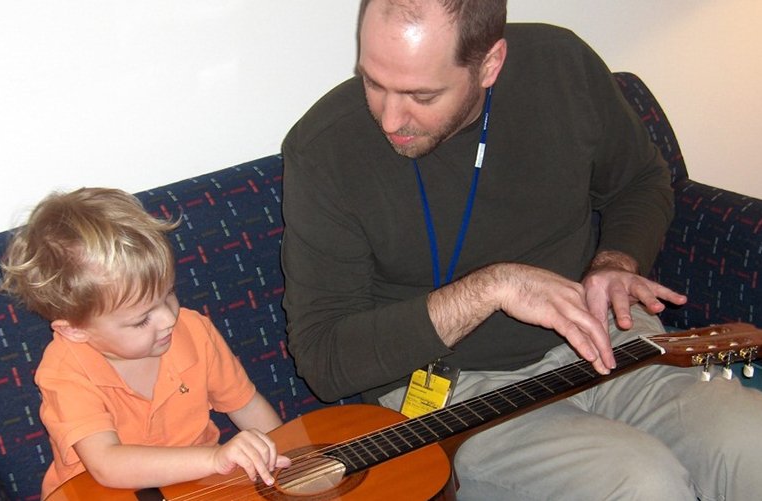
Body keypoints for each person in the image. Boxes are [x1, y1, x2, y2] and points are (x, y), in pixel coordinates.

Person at [280, 0, 762, 499]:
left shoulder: (562, 67)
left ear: (490, 64)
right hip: (455, 391)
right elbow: (324, 359)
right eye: (372, 81)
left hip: (601, 333)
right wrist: (491, 288)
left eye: (421, 95)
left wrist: (615, 261)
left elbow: (640, 181)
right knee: (642, 482)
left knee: (749, 440)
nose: (388, 117)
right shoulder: (324, 150)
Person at [0, 187, 291, 499]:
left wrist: (289, 465)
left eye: (169, 294)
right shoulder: (64, 371)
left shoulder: (194, 331)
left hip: (194, 486)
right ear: (75, 331)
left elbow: (247, 405)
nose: (168, 319)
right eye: (141, 320)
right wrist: (214, 458)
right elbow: (107, 464)